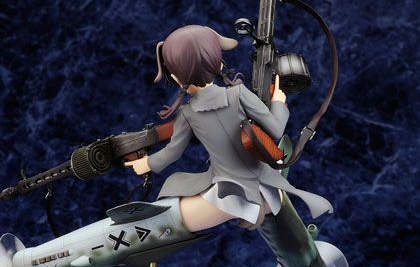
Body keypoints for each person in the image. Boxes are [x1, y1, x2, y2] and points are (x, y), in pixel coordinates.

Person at [125, 24, 332, 232]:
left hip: (228, 191)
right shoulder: (238, 93)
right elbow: (276, 129)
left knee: (172, 188)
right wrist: (278, 102)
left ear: (176, 78)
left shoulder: (187, 114)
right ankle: (260, 203)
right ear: (218, 62)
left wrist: (147, 163)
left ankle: (251, 207)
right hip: (266, 179)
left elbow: (173, 152)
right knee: (177, 185)